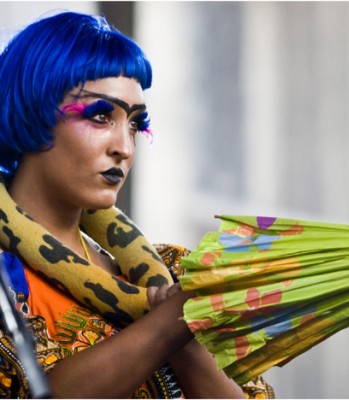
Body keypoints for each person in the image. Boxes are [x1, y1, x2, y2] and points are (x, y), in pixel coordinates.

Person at [0, 11, 274, 399]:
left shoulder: (174, 271)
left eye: (135, 124)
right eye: (100, 116)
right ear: (32, 112)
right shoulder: (6, 284)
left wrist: (185, 328)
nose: (124, 148)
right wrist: (167, 324)